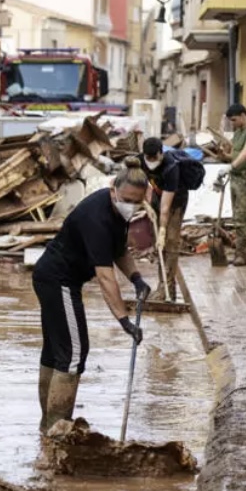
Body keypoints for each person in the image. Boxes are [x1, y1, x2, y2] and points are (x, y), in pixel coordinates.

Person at [32, 158, 151, 435]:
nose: (131, 206)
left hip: (55, 278)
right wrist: (124, 321)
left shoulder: (119, 214)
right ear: (113, 189)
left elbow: (119, 251)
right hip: (58, 279)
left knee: (56, 351)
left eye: (137, 202)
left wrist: (136, 278)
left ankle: (48, 426)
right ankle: (57, 430)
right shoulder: (96, 216)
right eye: (127, 199)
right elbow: (105, 275)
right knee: (73, 354)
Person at [140, 138, 202, 301]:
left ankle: (167, 289)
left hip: (176, 200)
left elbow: (166, 207)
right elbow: (139, 184)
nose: (151, 162)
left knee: (170, 242)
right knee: (159, 246)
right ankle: (164, 286)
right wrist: (146, 205)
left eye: (154, 158)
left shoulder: (171, 167)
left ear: (161, 153)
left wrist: (162, 230)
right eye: (149, 158)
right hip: (156, 196)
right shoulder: (141, 160)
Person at [222, 104, 246, 266]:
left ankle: (244, 256)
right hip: (236, 178)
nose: (233, 123)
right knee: (237, 218)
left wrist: (232, 166)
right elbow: (234, 154)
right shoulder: (238, 132)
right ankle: (240, 253)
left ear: (243, 115)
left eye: (234, 120)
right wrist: (224, 156)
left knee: (243, 218)